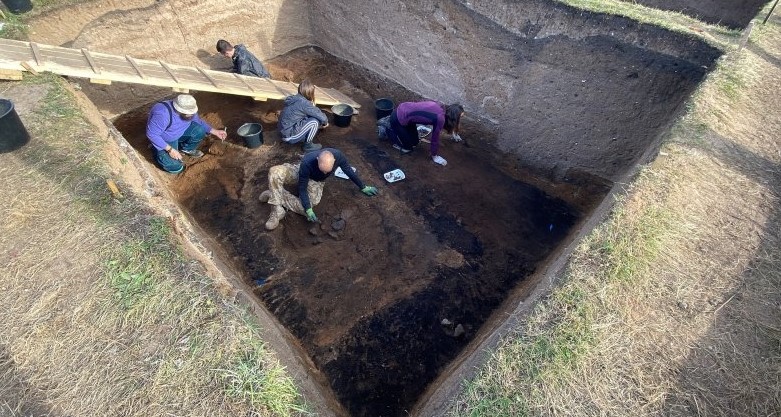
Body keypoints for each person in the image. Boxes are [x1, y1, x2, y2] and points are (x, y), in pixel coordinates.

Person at [259, 148, 379, 230]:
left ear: (334, 161)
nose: (326, 172)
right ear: (317, 160)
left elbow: (348, 170)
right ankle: (277, 210)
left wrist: (363, 186)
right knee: (275, 172)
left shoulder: (338, 155)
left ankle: (273, 193)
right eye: (323, 170)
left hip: (316, 181)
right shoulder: (307, 162)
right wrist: (308, 209)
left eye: (328, 171)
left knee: (306, 208)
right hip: (300, 172)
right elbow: (302, 188)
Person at [146, 94, 227, 174]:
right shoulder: (162, 114)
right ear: (178, 109)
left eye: (192, 113)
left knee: (199, 130)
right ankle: (155, 150)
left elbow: (197, 121)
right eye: (188, 113)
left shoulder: (189, 108)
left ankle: (186, 149)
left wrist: (214, 131)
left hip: (179, 132)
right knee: (176, 168)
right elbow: (152, 134)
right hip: (166, 139)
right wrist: (170, 150)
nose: (191, 115)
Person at [387, 101, 464, 166]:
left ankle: (397, 130)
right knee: (408, 149)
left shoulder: (441, 106)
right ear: (454, 117)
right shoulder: (440, 118)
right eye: (459, 117)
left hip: (407, 115)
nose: (459, 119)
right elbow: (435, 139)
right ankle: (388, 130)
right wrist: (435, 156)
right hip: (398, 118)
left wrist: (454, 132)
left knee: (415, 142)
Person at [277, 79, 329, 152]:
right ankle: (308, 145)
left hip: (283, 130)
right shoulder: (304, 104)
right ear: (310, 93)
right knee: (314, 122)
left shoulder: (293, 98)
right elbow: (322, 118)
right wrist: (325, 123)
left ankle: (302, 137)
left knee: (308, 116)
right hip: (289, 136)